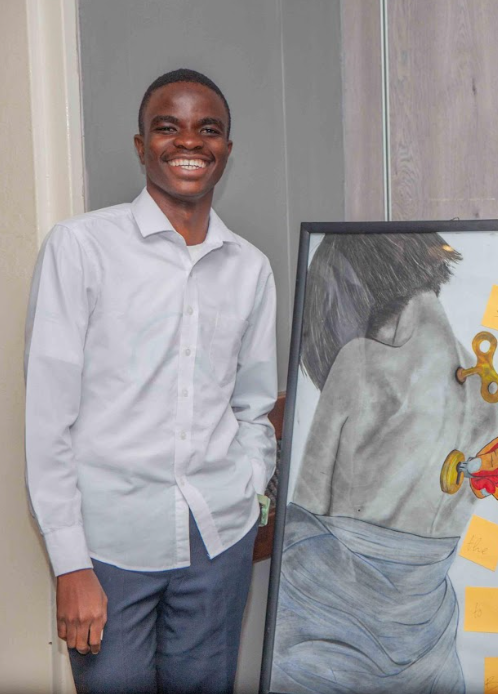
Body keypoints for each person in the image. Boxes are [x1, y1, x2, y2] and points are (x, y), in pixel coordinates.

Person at [25, 69, 277, 694]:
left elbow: (252, 405)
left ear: (226, 149)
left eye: (207, 130)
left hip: (218, 543)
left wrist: (249, 488)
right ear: (142, 146)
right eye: (168, 127)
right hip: (110, 549)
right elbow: (48, 420)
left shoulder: (250, 268)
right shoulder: (79, 248)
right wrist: (70, 563)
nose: (189, 142)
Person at [271, 233, 498, 693]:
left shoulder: (358, 365)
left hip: (323, 632)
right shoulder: (494, 396)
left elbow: (302, 521)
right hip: (428, 644)